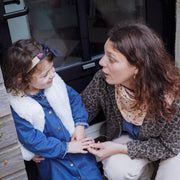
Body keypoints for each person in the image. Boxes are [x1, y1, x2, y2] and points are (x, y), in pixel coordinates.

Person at [81, 23, 180, 180]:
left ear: (137, 67)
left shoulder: (172, 96)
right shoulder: (104, 79)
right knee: (117, 170)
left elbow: (169, 146)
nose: (101, 62)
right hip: (132, 140)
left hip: (171, 146)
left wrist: (121, 148)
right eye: (104, 54)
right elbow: (81, 111)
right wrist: (49, 144)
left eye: (111, 59)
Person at [2, 39, 102, 180]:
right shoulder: (20, 107)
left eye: (52, 68)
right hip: (53, 161)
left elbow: (75, 100)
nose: (53, 75)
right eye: (45, 75)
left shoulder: (56, 85)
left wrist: (79, 126)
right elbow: (32, 139)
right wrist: (67, 148)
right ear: (22, 79)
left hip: (79, 151)